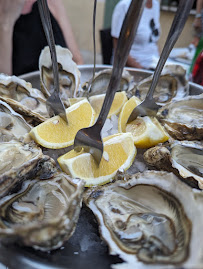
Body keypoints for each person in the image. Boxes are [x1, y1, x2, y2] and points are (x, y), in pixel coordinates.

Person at [0, 0, 83, 76]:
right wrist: (6, 23)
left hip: (61, 89)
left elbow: (77, 61)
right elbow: (3, 84)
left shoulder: (51, 3)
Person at [111, 0, 160, 69]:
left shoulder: (155, 4)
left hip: (154, 63)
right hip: (135, 67)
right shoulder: (124, 6)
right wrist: (142, 70)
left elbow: (154, 40)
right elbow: (119, 49)